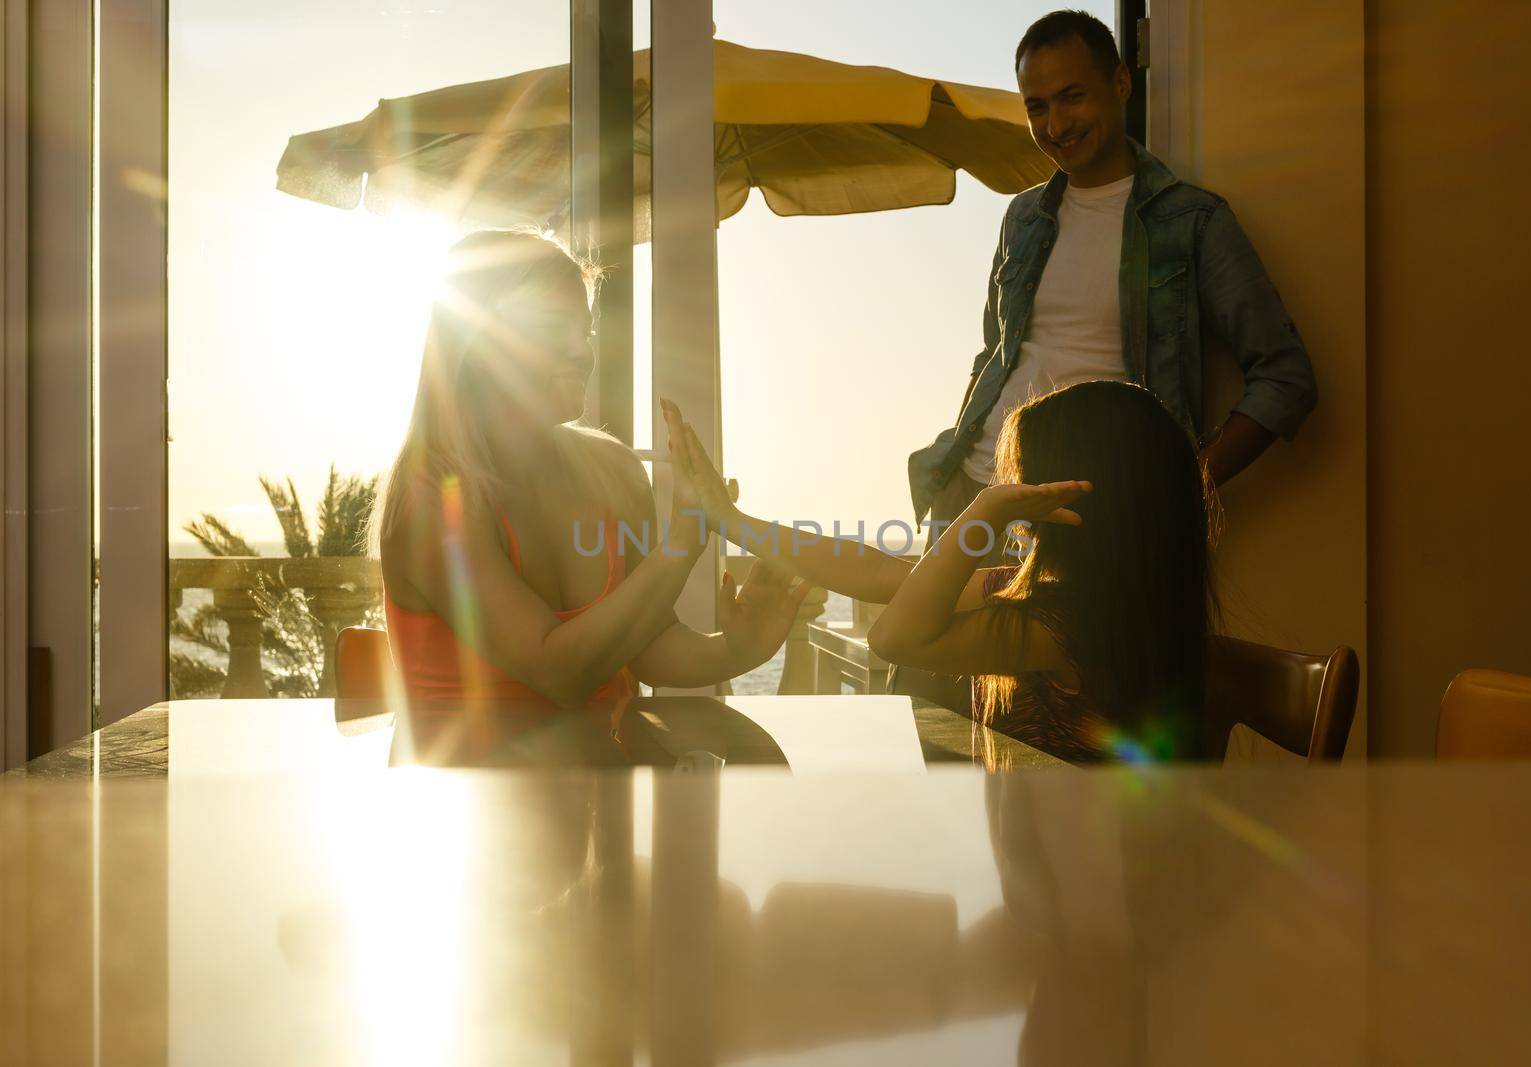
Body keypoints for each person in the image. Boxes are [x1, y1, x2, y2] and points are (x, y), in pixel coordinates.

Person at [374, 230, 809, 761]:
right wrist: (683, 542)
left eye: (587, 330)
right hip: (463, 822)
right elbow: (559, 673)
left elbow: (648, 647)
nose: (583, 351)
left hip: (590, 808)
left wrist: (736, 648)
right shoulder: (428, 494)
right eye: (556, 328)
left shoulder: (613, 467)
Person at [663, 380, 1223, 766]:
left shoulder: (1067, 628)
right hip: (1049, 882)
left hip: (1080, 911)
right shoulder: (1065, 605)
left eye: (1019, 484)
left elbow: (894, 636)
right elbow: (886, 573)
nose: (1011, 499)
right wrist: (731, 521)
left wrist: (980, 514)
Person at [906, 9, 1317, 532]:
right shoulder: (1023, 218)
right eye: (1037, 107)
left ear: (1121, 83)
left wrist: (1179, 488)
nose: (1055, 126)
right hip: (971, 497)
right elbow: (995, 352)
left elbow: (1286, 377)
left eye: (1072, 97)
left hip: (1088, 518)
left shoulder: (1192, 221)